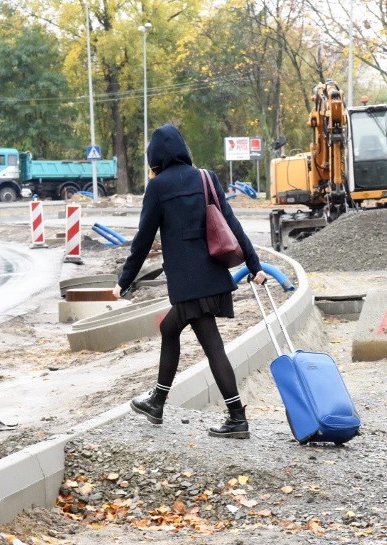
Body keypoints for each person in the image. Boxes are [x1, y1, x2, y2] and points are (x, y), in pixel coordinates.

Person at [113, 123, 267, 439]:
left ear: (154, 157)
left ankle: (236, 418)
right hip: (211, 274)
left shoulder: (158, 188)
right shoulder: (205, 177)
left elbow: (143, 239)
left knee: (212, 345)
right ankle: (157, 401)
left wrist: (124, 281)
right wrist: (255, 265)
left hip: (188, 282)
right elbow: (232, 224)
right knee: (170, 329)